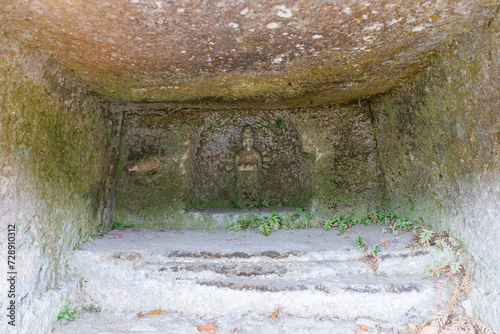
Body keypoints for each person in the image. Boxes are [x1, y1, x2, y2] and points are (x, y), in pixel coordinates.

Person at [234, 125, 262, 204]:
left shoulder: (256, 154)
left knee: (253, 190)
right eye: (245, 141)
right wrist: (241, 168)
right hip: (242, 180)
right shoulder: (239, 154)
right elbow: (236, 167)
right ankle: (242, 198)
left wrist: (254, 167)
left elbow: (259, 168)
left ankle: (254, 199)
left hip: (253, 181)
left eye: (250, 140)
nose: (247, 143)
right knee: (242, 189)